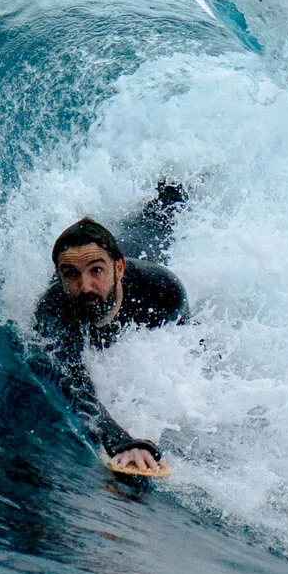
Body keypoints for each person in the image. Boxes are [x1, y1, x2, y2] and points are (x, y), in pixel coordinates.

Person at [31, 184, 189, 474]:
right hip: (119, 253)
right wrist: (119, 439)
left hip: (145, 248)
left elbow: (185, 347)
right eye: (71, 275)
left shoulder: (162, 291)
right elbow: (73, 383)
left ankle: (174, 186)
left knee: (160, 217)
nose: (85, 286)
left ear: (118, 269)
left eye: (96, 271)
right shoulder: (54, 311)